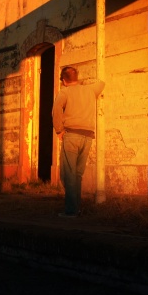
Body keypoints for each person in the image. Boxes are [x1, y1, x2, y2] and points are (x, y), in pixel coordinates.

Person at [52, 65, 105, 217]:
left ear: (63, 80)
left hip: (72, 135)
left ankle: (71, 211)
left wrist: (59, 130)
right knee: (78, 174)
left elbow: (56, 110)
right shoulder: (90, 90)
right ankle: (76, 208)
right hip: (88, 136)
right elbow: (101, 83)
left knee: (68, 174)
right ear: (77, 78)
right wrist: (84, 81)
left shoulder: (65, 91)